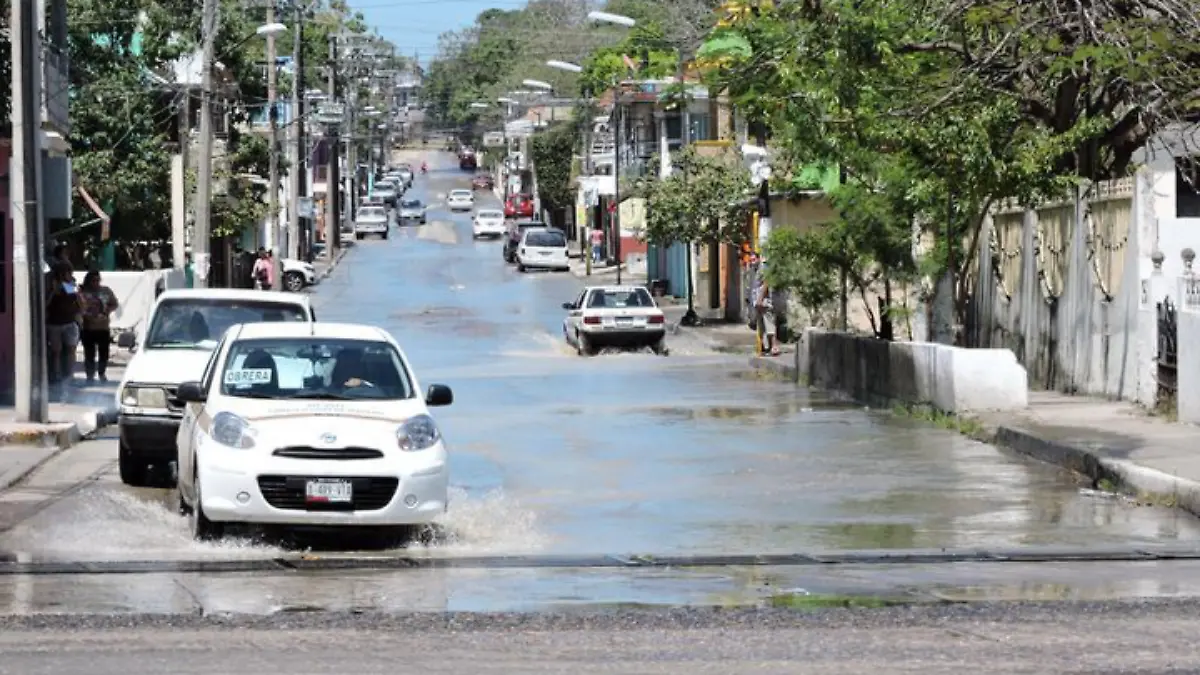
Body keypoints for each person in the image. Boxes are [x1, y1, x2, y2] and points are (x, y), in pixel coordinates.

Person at [45, 262, 82, 397]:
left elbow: (79, 302)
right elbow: (46, 304)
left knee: (71, 349)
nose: (69, 275)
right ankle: (56, 374)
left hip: (69, 321)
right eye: (67, 273)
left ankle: (69, 375)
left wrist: (75, 290)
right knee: (56, 350)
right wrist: (54, 292)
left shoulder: (70, 286)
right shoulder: (51, 286)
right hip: (54, 323)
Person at [79, 270, 119, 383]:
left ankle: (102, 373)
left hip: (103, 326)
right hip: (88, 327)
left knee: (104, 352)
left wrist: (107, 312)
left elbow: (114, 303)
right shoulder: (83, 292)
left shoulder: (105, 290)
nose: (96, 283)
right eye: (93, 280)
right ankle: (90, 375)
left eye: (97, 280)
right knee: (89, 353)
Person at [755, 274, 781, 357]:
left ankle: (774, 346)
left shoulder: (764, 264)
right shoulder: (758, 264)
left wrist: (760, 298)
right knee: (761, 326)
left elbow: (767, 281)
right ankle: (764, 347)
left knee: (769, 324)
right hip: (759, 300)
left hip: (764, 301)